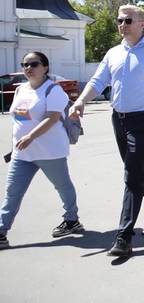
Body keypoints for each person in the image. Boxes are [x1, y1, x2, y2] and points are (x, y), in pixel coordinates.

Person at [71, 5, 144, 258]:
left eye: (128, 20)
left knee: (131, 175)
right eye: (119, 20)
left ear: (142, 23)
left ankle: (124, 236)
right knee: (138, 169)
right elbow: (98, 81)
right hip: (118, 119)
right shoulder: (114, 53)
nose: (123, 24)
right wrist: (80, 101)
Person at [0, 52, 83, 250]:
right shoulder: (21, 90)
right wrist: (15, 145)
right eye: (25, 64)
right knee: (12, 193)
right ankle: (1, 232)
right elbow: (18, 121)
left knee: (62, 186)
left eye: (34, 64)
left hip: (50, 151)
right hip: (23, 153)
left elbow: (52, 118)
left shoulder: (53, 90)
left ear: (45, 68)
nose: (28, 68)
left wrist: (30, 137)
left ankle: (72, 220)